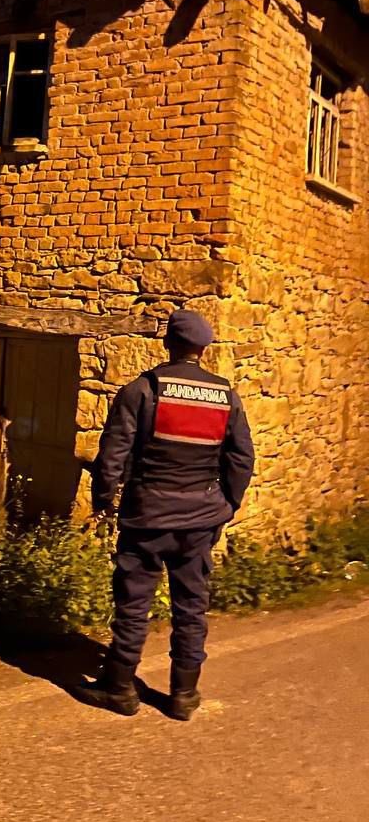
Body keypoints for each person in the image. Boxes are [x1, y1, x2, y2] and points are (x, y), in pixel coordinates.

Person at [80, 308, 255, 720]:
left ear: (168, 342)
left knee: (133, 603)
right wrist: (227, 505)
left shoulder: (142, 390)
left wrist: (104, 499)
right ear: (203, 349)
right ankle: (182, 695)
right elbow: (241, 458)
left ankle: (119, 688)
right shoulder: (225, 396)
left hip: (147, 517)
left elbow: (113, 455)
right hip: (200, 519)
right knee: (191, 604)